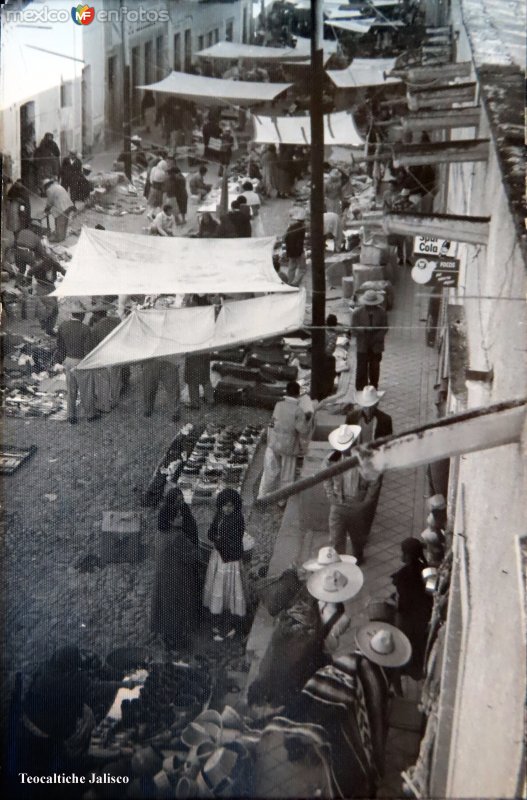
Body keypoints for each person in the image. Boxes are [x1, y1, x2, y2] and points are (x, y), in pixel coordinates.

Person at [16, 646, 96, 776]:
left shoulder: (46, 668)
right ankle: (75, 756)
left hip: (27, 717)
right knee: (87, 716)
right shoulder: (67, 682)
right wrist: (124, 685)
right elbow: (94, 689)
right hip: (45, 728)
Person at [324, 424, 382, 565]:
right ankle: (338, 564)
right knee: (336, 538)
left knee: (358, 538)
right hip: (338, 504)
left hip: (357, 504)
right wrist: (331, 497)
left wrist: (366, 502)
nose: (344, 450)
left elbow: (375, 481)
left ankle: (358, 557)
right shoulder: (331, 459)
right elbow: (326, 478)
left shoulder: (366, 459)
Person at [151, 488, 201, 650]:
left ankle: (165, 634)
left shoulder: (161, 533)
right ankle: (175, 641)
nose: (181, 517)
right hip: (176, 576)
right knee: (176, 608)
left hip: (163, 574)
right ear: (172, 521)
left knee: (164, 605)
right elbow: (192, 555)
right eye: (178, 517)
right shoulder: (177, 537)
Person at [258, 381, 311, 506]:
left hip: (274, 442)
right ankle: (282, 500)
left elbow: (273, 422)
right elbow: (303, 430)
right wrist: (307, 419)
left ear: (286, 392)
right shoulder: (298, 411)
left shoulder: (278, 405)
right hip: (289, 446)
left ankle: (262, 496)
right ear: (298, 395)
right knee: (287, 475)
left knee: (270, 471)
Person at [203, 489, 247, 641]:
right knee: (218, 585)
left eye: (230, 506)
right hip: (219, 556)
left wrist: (217, 539)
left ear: (235, 506)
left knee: (229, 586)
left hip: (230, 560)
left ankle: (232, 616)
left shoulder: (238, 519)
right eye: (224, 506)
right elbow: (211, 531)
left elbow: (232, 541)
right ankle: (219, 613)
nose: (227, 509)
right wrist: (216, 537)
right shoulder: (219, 515)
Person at [391, 538, 433, 679]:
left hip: (408, 616)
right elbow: (431, 591)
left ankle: (403, 669)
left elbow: (401, 600)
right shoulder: (427, 569)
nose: (401, 555)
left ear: (409, 555)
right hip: (424, 614)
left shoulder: (403, 575)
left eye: (403, 553)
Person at [55, 309, 99, 423]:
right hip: (82, 361)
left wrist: (63, 359)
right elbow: (88, 349)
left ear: (72, 314)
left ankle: (71, 416)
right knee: (86, 390)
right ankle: (90, 415)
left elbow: (59, 345)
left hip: (68, 360)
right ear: (83, 315)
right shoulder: (85, 328)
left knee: (71, 390)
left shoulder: (63, 326)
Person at [350, 289, 389, 391]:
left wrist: (376, 338)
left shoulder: (382, 313)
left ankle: (373, 388)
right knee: (361, 368)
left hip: (376, 346)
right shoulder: (356, 313)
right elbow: (353, 330)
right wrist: (363, 330)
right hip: (362, 345)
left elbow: (385, 328)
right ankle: (360, 389)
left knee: (374, 368)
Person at [89, 307, 122, 413]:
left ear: (97, 315)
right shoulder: (116, 321)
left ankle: (105, 404)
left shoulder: (96, 328)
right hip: (116, 354)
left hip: (104, 356)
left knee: (104, 380)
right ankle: (115, 401)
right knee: (116, 378)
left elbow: (94, 345)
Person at [142, 356, 182, 421]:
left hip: (170, 359)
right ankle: (148, 407)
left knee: (173, 388)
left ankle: (175, 412)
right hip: (149, 360)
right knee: (148, 387)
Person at [43, 178, 75, 242]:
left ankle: (59, 238)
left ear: (46, 186)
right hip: (68, 205)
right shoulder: (58, 186)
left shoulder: (49, 190)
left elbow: (50, 202)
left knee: (60, 222)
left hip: (62, 207)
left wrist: (46, 209)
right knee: (65, 222)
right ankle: (63, 236)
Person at [283, 210, 306, 287]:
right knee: (302, 269)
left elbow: (285, 238)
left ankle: (290, 282)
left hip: (290, 250)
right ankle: (295, 283)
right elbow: (300, 241)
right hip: (298, 251)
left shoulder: (291, 227)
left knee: (291, 268)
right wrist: (300, 252)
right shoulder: (302, 228)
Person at [320, 313, 338, 399]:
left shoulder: (323, 330)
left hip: (320, 355)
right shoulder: (333, 335)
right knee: (331, 372)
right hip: (326, 357)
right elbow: (329, 350)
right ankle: (328, 390)